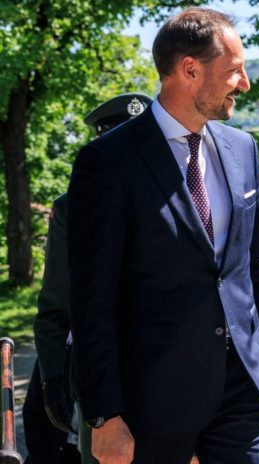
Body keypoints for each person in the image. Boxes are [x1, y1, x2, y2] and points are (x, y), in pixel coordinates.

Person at [66, 7, 259, 463]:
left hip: (245, 391)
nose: (245, 84)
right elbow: (91, 299)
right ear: (189, 70)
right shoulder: (108, 162)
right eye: (234, 71)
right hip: (152, 401)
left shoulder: (243, 149)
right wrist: (104, 415)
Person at [24, 93, 151, 464]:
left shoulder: (185, 197)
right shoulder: (73, 207)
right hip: (103, 385)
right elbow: (55, 306)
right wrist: (52, 378)